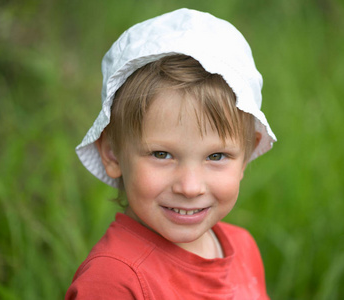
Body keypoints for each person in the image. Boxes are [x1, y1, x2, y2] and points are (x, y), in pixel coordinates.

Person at [66, 8, 276, 300]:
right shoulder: (114, 280)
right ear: (113, 154)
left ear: (247, 154)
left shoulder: (243, 248)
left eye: (216, 156)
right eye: (162, 154)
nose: (190, 187)